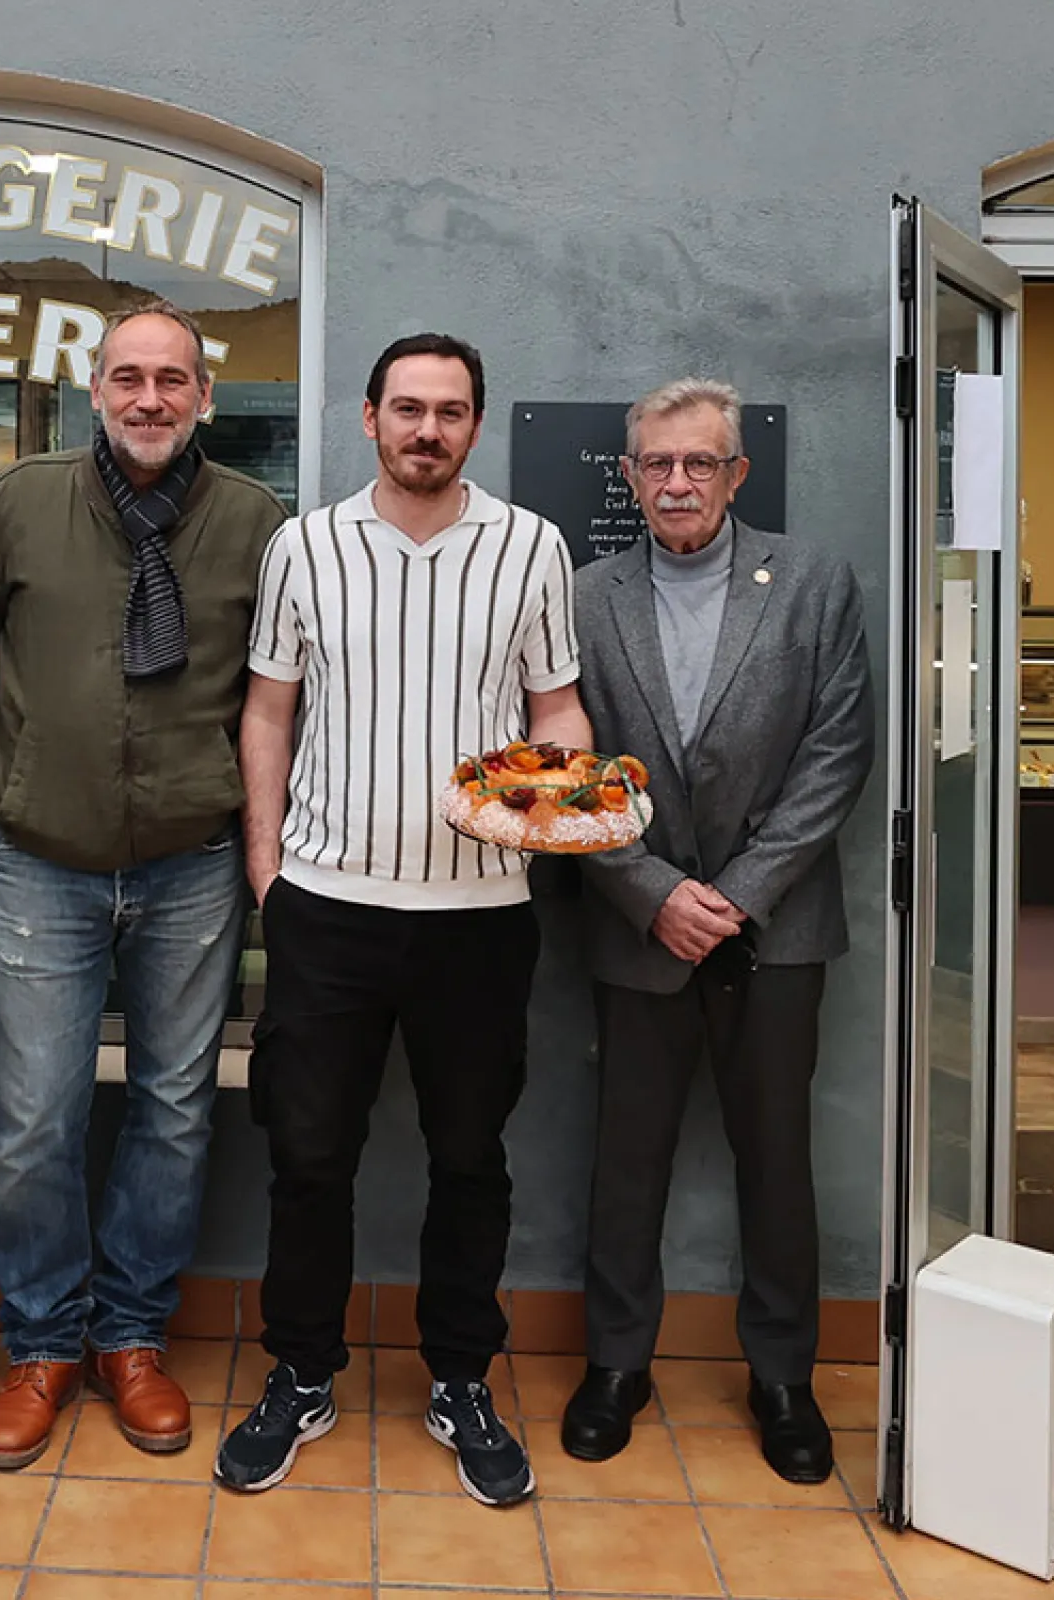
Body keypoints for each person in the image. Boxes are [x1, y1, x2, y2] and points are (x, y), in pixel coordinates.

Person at [222, 333, 584, 1510]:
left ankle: (461, 1379)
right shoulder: (305, 546)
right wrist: (269, 868)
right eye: (410, 407)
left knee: (470, 1159)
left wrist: (563, 798)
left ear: (475, 425)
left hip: (480, 916)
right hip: (326, 908)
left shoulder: (532, 546)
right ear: (370, 417)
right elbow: (268, 711)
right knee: (307, 1156)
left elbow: (557, 707)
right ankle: (300, 1372)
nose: (429, 428)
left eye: (452, 410)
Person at [0, 303, 288, 1471]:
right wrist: (30, 758)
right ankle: (43, 1344)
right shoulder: (20, 502)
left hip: (193, 861)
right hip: (38, 858)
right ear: (94, 390)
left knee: (175, 1108)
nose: (150, 399)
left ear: (205, 397)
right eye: (128, 378)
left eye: (172, 380)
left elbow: (278, 690)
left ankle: (132, 1337)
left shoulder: (256, 523)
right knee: (33, 1116)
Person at [561, 377, 874, 1485]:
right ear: (630, 476)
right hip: (635, 924)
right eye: (658, 463)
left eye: (701, 462)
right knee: (625, 1160)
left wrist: (735, 895)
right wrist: (650, 890)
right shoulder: (582, 596)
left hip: (773, 932)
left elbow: (839, 753)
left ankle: (784, 1379)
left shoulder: (814, 583)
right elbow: (567, 772)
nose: (679, 482)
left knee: (777, 1160)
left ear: (737, 474)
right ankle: (615, 1366)